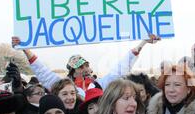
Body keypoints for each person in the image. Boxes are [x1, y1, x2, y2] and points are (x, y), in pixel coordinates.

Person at [12, 34, 160, 94]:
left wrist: (143, 43)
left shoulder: (99, 84)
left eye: (86, 65)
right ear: (72, 71)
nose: (85, 69)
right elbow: (42, 72)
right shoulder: (62, 85)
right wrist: (25, 49)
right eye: (80, 67)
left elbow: (120, 69)